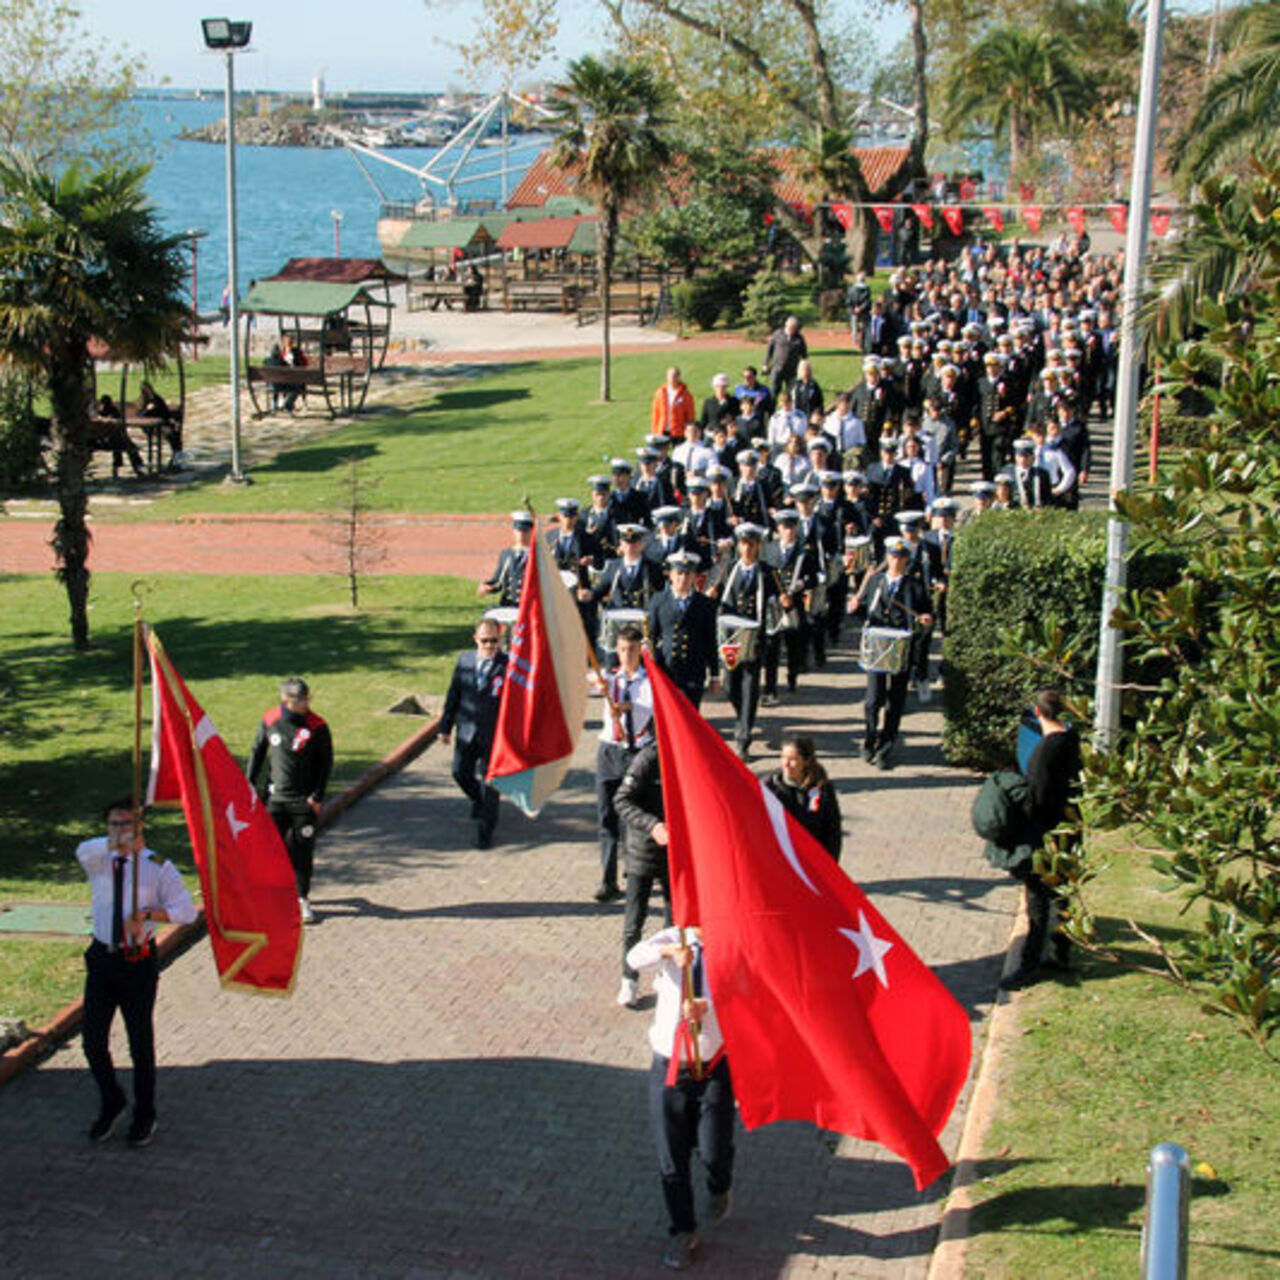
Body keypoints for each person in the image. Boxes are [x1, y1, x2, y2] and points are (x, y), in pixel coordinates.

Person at [78, 797, 198, 1148]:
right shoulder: (98, 858)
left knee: (139, 1042)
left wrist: (148, 915)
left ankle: (145, 1112)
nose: (119, 831)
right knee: (92, 1041)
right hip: (102, 958)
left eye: (127, 824)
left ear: (140, 827)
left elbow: (186, 911)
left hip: (136, 962)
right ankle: (112, 1099)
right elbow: (83, 847)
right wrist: (119, 842)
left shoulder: (156, 866)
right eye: (113, 824)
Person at [627, 924, 734, 1272]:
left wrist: (709, 1008)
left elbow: (749, 993)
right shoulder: (674, 937)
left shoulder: (732, 943)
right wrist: (668, 953)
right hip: (670, 1067)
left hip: (712, 1066)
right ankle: (682, 1231)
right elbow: (634, 957)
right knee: (671, 1159)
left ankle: (720, 1185)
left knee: (713, 1151)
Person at [1001, 689, 1082, 991]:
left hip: (1045, 835)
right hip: (1070, 830)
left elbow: (1037, 800)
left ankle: (1028, 964)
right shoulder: (1072, 741)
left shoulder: (1045, 752)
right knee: (1063, 895)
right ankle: (1062, 951)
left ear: (1037, 712)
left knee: (1036, 903)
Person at [246, 677, 333, 924]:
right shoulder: (270, 720)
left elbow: (326, 764)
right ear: (286, 700)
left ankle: (301, 898)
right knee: (273, 849)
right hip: (275, 800)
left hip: (303, 802)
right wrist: (248, 785)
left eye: (307, 698)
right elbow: (257, 753)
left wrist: (317, 796)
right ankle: (273, 896)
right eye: (300, 700)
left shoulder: (318, 726)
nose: (305, 703)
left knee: (302, 850)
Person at [853, 537, 932, 769]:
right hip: (877, 648)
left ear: (907, 560)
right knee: (872, 699)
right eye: (893, 557)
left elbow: (926, 615)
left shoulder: (915, 586)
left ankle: (886, 748)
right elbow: (865, 614)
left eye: (901, 558)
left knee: (895, 701)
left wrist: (926, 620)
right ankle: (869, 739)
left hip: (901, 649)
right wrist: (855, 608)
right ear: (887, 558)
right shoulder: (876, 581)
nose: (896, 562)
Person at [593, 624, 653, 904]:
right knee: (606, 817)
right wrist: (597, 684)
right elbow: (584, 680)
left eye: (630, 650)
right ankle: (607, 879)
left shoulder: (649, 682)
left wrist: (624, 707)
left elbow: (647, 707)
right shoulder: (609, 679)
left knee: (631, 815)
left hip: (635, 753)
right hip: (609, 750)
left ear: (640, 650)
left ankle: (634, 870)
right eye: (621, 650)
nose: (625, 655)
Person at [438, 619, 509, 849]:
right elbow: (454, 695)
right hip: (467, 732)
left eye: (494, 641)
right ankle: (478, 799)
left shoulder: (508, 665)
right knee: (460, 773)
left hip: (494, 736)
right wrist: (445, 728)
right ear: (475, 639)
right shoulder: (464, 661)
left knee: (491, 785)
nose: (489, 646)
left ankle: (485, 832)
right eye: (485, 641)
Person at [614, 742, 672, 1008]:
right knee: (634, 921)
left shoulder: (685, 755)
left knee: (674, 919)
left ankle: (666, 972)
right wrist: (652, 826)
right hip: (642, 852)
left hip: (674, 855)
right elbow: (622, 800)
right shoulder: (648, 758)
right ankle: (629, 978)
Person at [647, 551, 720, 709]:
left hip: (694, 670)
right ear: (671, 575)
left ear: (694, 576)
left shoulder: (705, 604)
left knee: (690, 713)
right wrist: (647, 669)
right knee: (666, 712)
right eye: (679, 573)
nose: (683, 578)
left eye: (688, 574)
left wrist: (714, 675)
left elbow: (710, 641)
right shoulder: (658, 601)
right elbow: (650, 637)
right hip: (666, 668)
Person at [764, 737, 842, 861]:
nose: (786, 764)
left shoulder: (821, 787)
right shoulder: (769, 787)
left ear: (806, 761)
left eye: (793, 759)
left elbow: (832, 829)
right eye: (783, 757)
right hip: (780, 858)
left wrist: (830, 863)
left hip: (812, 858)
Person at [478, 511, 535, 608]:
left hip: (529, 607)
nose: (521, 535)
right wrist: (487, 587)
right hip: (508, 604)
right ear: (514, 531)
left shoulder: (537, 556)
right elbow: (499, 581)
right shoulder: (507, 554)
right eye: (518, 531)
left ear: (531, 532)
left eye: (525, 531)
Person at [764, 314, 807, 399]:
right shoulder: (777, 334)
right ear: (786, 326)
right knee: (774, 391)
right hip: (777, 368)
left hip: (792, 370)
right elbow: (769, 350)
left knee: (791, 392)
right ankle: (771, 410)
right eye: (790, 328)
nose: (792, 330)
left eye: (794, 328)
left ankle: (790, 410)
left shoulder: (799, 337)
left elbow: (804, 354)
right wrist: (765, 363)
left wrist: (804, 368)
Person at [651, 366, 697, 442]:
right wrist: (654, 429)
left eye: (674, 376)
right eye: (669, 376)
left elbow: (690, 414)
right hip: (662, 429)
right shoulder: (660, 392)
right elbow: (656, 413)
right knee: (661, 453)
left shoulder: (685, 394)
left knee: (679, 452)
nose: (671, 378)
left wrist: (689, 430)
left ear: (678, 377)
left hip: (679, 431)